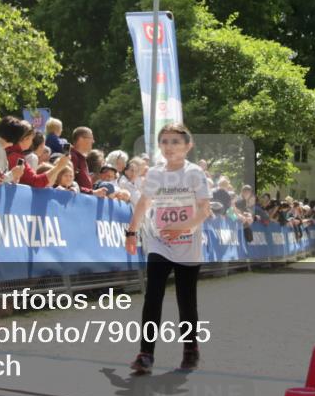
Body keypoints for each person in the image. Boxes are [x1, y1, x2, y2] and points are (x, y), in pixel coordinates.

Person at [125, 123, 212, 375]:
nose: (169, 147)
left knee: (186, 301)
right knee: (153, 296)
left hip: (188, 244)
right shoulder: (155, 173)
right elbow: (144, 202)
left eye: (175, 142)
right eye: (164, 142)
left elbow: (204, 210)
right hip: (159, 242)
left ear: (188, 145)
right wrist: (132, 232)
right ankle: (146, 354)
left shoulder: (195, 173)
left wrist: (183, 228)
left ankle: (190, 349)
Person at [0, 116, 68, 188]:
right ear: (25, 139)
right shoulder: (16, 157)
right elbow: (35, 182)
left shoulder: (12, 152)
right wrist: (59, 167)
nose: (32, 143)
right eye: (31, 139)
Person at [69, 127, 108, 197]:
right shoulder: (72, 157)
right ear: (81, 139)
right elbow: (67, 184)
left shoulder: (80, 158)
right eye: (91, 138)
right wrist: (93, 192)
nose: (93, 141)